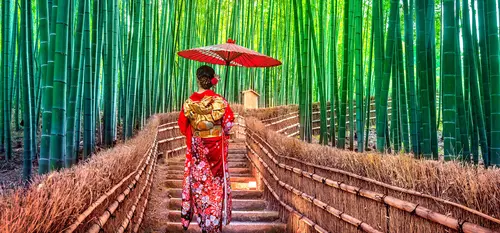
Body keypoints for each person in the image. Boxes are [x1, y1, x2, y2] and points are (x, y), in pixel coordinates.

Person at [177, 65, 234, 233]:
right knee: (215, 186)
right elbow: (229, 124)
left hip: (198, 150)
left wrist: (198, 131)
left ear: (197, 79)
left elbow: (182, 126)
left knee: (200, 186)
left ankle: (204, 223)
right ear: (212, 81)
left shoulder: (189, 102)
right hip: (215, 149)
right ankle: (214, 224)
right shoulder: (220, 101)